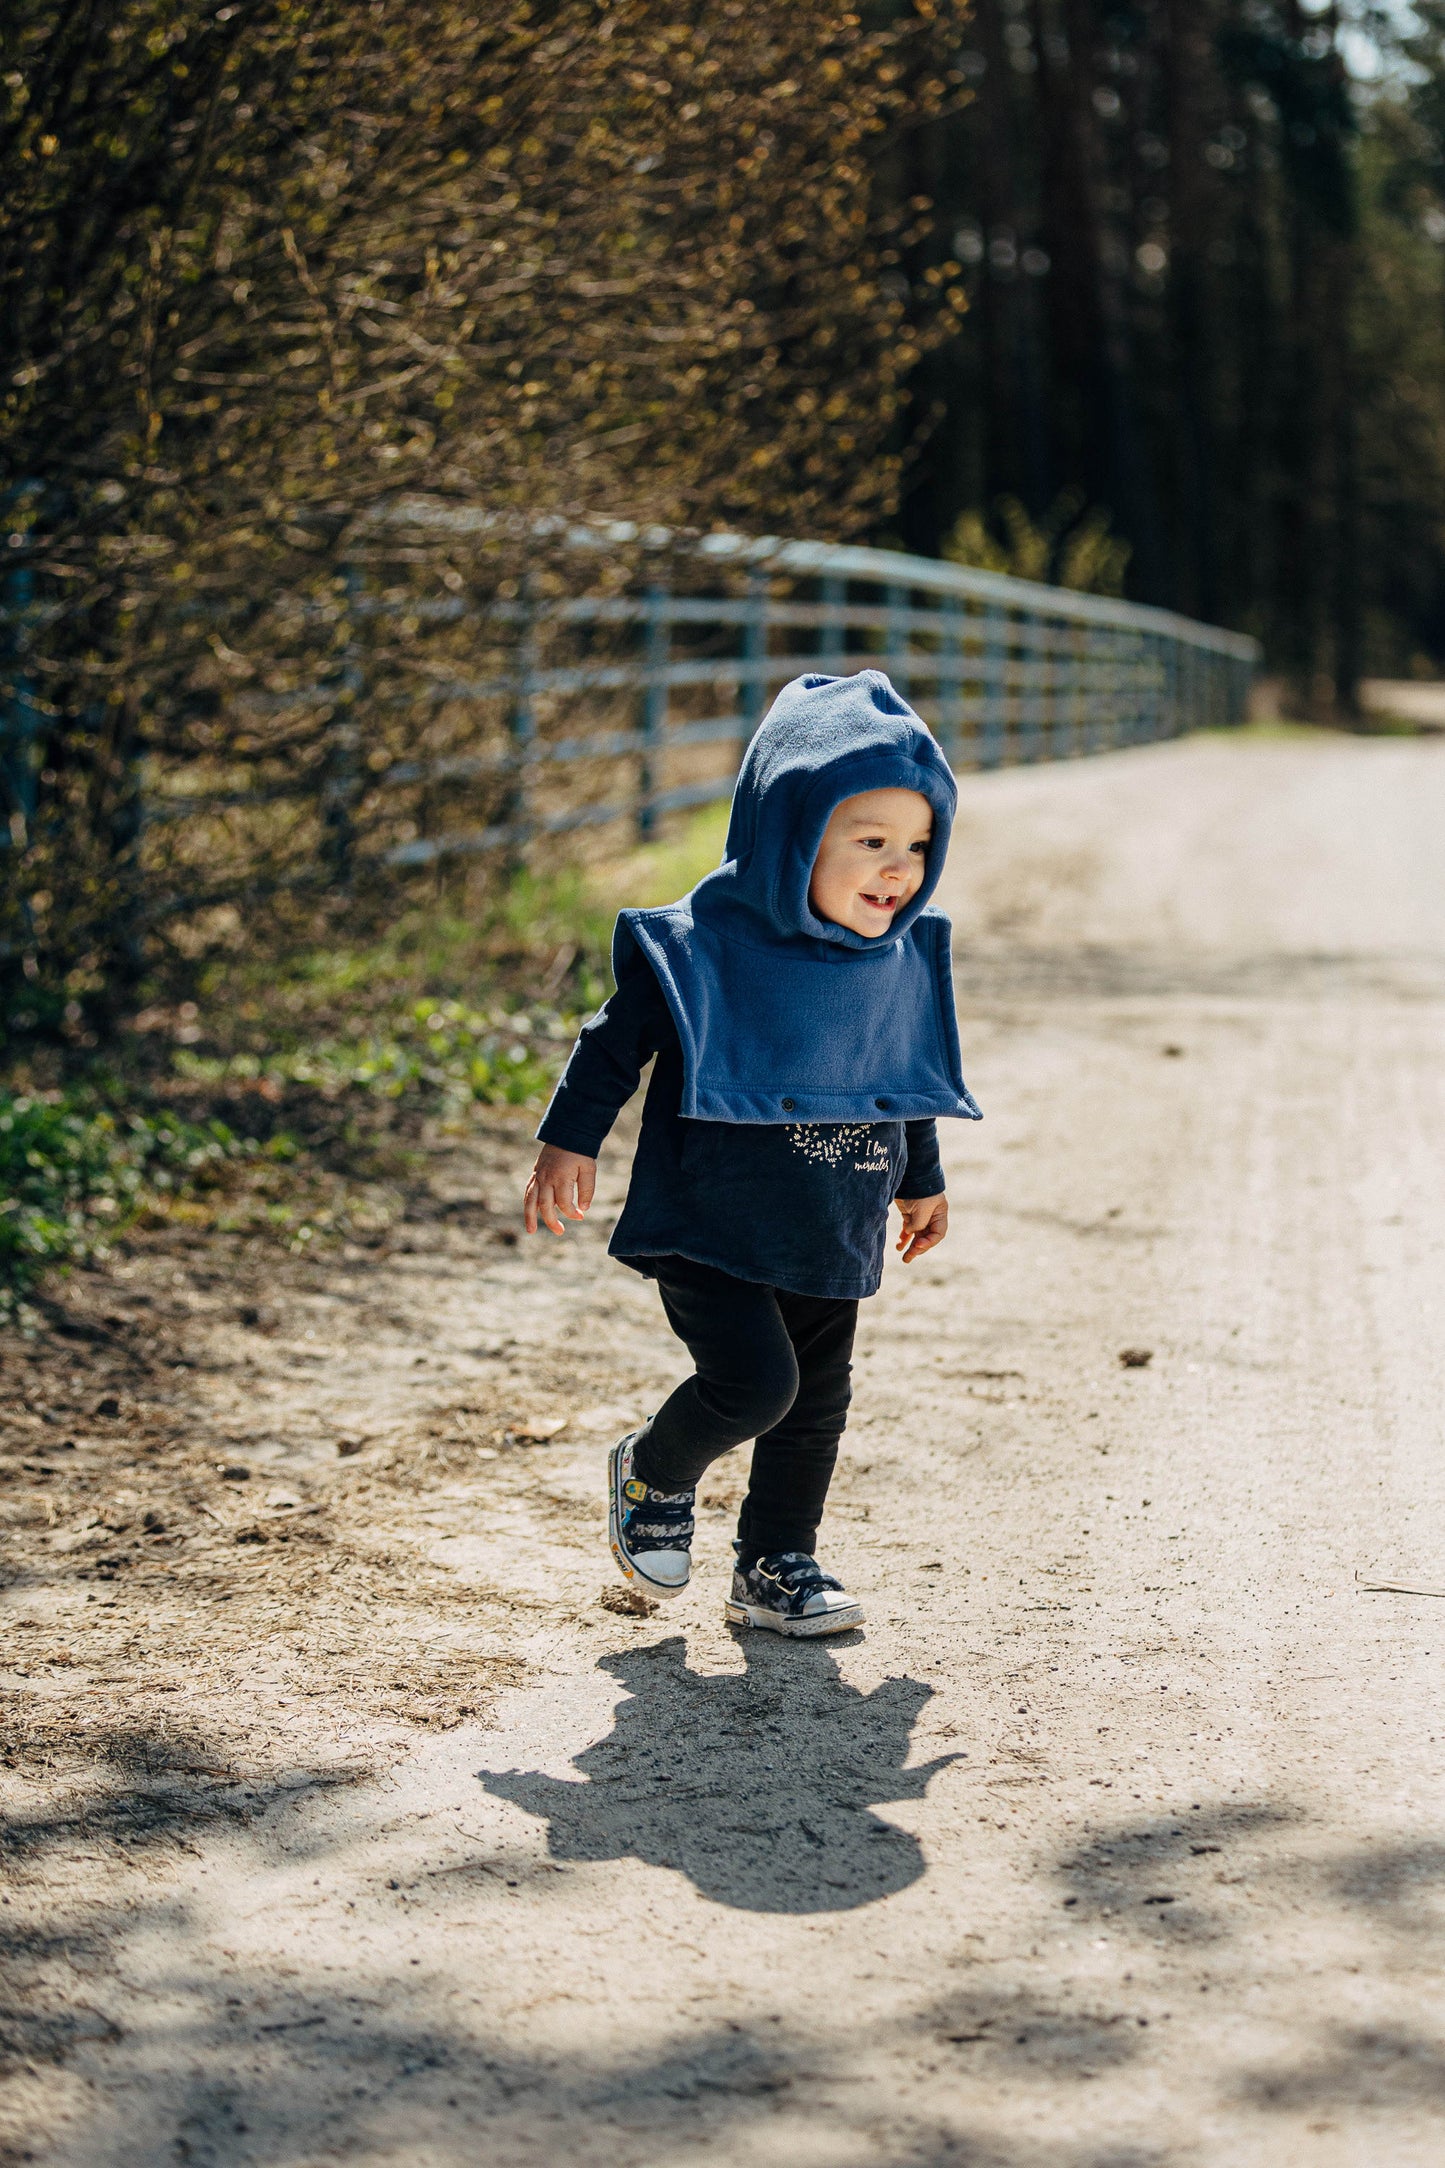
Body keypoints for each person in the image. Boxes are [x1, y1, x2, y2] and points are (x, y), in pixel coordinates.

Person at [523, 669, 980, 1637]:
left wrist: (921, 1180)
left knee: (813, 1411)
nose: (897, 868)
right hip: (711, 1221)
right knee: (754, 1386)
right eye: (868, 841)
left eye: (916, 844)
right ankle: (655, 1470)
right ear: (786, 832)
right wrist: (569, 1139)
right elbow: (613, 1043)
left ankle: (776, 1562)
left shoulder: (891, 958)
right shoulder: (701, 950)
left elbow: (895, 1074)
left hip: (832, 1221)